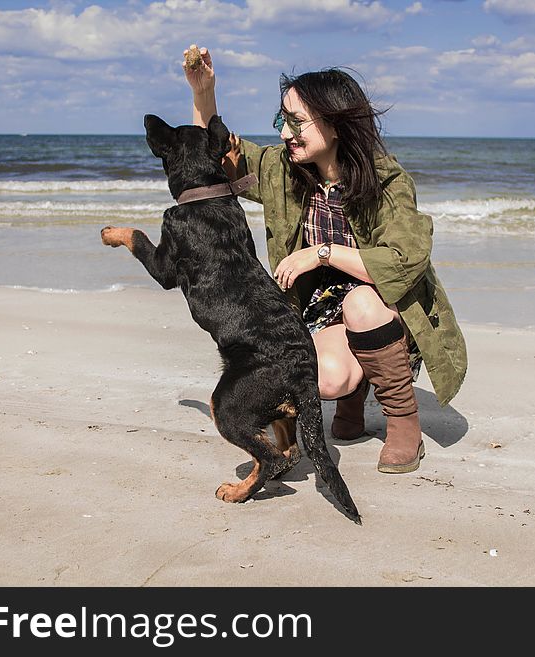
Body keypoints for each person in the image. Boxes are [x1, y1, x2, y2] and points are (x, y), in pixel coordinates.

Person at [183, 46, 466, 474]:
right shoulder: (282, 169)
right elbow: (215, 154)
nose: (284, 133)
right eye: (282, 120)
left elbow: (405, 260)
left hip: (387, 309)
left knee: (360, 303)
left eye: (297, 122)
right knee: (326, 379)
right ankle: (353, 394)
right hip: (320, 310)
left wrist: (321, 253)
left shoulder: (385, 181)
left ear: (334, 124)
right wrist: (204, 93)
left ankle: (403, 422)